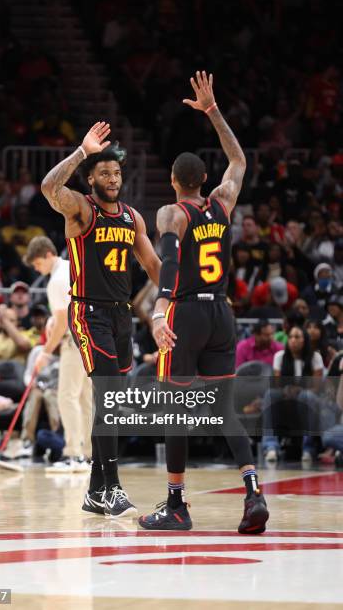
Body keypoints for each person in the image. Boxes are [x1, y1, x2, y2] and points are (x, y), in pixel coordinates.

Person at [139, 70, 269, 532]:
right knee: (224, 408)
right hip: (222, 313)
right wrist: (213, 112)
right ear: (205, 178)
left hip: (187, 310)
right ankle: (253, 493)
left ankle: (176, 504)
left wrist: (159, 310)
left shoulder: (172, 212)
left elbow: (170, 265)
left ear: (174, 181)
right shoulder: (223, 202)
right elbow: (239, 160)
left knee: (175, 407)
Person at [41, 121, 161, 517]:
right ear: (91, 177)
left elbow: (153, 265)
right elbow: (48, 188)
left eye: (117, 173)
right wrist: (81, 151)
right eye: (104, 172)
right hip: (87, 311)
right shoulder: (80, 208)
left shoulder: (132, 218)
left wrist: (184, 293)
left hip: (121, 314)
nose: (112, 178)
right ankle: (112, 488)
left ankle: (95, 493)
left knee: (111, 401)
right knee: (108, 395)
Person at [24, 236, 92, 471]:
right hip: (91, 338)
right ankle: (89, 455)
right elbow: (68, 308)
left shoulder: (55, 280)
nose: (37, 269)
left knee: (67, 396)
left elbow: (63, 321)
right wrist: (54, 319)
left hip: (73, 340)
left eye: (37, 264)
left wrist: (45, 352)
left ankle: (74, 455)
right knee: (85, 398)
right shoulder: (70, 267)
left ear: (47, 255)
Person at [262, 325, 324, 462]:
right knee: (270, 395)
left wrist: (300, 390)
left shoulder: (315, 357)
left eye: (297, 337)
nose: (293, 340)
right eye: (290, 337)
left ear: (305, 340)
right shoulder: (280, 356)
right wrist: (287, 390)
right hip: (287, 398)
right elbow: (278, 385)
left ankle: (308, 448)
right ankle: (271, 446)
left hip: (309, 398)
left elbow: (317, 388)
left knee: (306, 396)